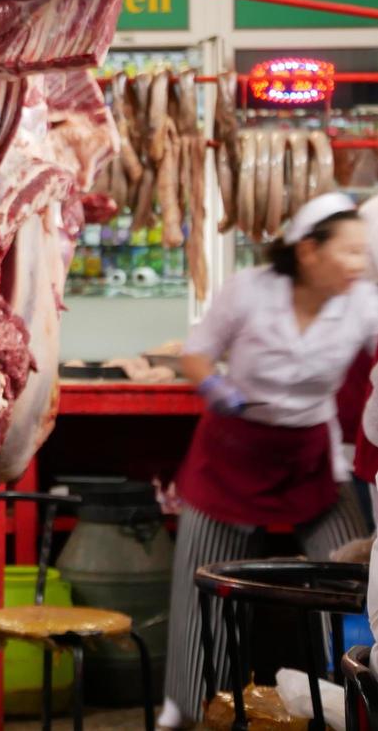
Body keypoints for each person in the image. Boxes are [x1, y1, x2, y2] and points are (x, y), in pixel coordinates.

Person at [161, 193, 378, 729]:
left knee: (352, 574)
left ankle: (348, 701)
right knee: (204, 591)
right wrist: (212, 385)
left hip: (308, 454)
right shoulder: (250, 292)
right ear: (309, 250)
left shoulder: (362, 303)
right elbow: (197, 352)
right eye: (347, 251)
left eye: (362, 253)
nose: (358, 263)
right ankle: (192, 710)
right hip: (232, 453)